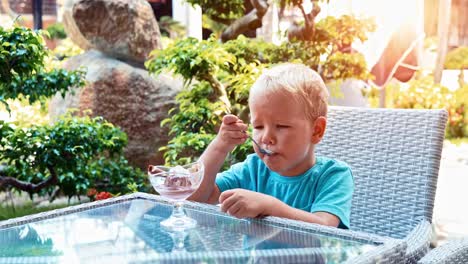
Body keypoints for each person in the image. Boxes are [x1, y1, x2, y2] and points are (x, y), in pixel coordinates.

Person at [190, 63, 354, 229]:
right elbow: (195, 196)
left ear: (316, 131)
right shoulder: (253, 169)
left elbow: (326, 230)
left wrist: (269, 206)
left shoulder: (333, 175)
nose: (266, 137)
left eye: (282, 126)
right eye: (259, 126)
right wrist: (219, 147)